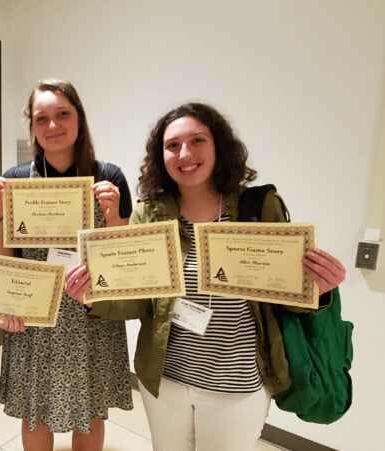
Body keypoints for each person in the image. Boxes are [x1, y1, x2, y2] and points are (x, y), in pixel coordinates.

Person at [81, 102, 346, 451]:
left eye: (197, 141)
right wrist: (93, 294)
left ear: (218, 146)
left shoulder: (257, 207)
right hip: (165, 379)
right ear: (161, 155)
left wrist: (319, 289)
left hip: (238, 386)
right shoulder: (151, 214)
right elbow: (139, 300)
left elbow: (286, 294)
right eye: (172, 145)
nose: (184, 153)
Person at [0, 79, 134, 451]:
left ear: (79, 118)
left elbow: (124, 261)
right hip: (35, 319)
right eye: (41, 118)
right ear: (32, 127)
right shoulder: (16, 180)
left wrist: (114, 217)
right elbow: (4, 261)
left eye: (63, 114)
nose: (52, 126)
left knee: (92, 410)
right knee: (35, 412)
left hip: (92, 317)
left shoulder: (109, 177)